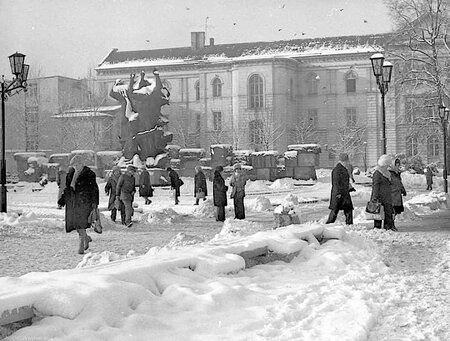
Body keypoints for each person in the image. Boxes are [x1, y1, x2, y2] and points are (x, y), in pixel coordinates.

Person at [58, 155, 99, 255]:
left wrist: (94, 203)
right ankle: (86, 238)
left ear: (82, 164)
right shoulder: (70, 173)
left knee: (81, 224)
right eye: (74, 165)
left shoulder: (89, 174)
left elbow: (94, 189)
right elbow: (68, 188)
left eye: (78, 164)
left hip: (84, 202)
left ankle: (81, 246)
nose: (76, 166)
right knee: (76, 224)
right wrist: (62, 200)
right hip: (72, 203)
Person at [325, 153, 354, 225]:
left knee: (348, 209)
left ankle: (349, 224)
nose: (348, 162)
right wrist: (339, 193)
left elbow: (344, 181)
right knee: (335, 210)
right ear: (343, 161)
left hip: (343, 193)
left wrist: (349, 187)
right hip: (339, 194)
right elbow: (336, 183)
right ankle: (328, 224)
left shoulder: (343, 168)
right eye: (347, 161)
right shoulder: (337, 170)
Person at [371, 154, 395, 231]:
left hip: (387, 196)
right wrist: (375, 197)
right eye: (387, 165)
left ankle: (388, 227)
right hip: (379, 196)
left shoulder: (387, 173)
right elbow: (375, 186)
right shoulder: (377, 173)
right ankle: (377, 228)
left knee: (388, 212)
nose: (388, 166)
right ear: (384, 164)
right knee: (378, 213)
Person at [389, 158, 407, 225]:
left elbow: (399, 183)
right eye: (396, 165)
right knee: (392, 210)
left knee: (396, 210)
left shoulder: (397, 174)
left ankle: (391, 223)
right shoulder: (390, 173)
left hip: (397, 195)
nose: (397, 166)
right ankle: (390, 224)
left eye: (398, 165)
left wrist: (403, 190)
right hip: (392, 195)